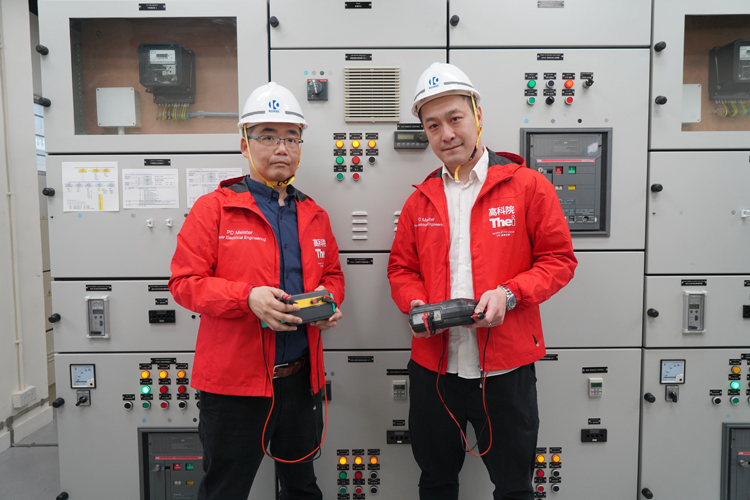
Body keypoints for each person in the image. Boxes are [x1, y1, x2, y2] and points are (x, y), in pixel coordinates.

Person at [387, 63, 577, 500]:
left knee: (514, 487)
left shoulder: (528, 186)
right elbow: (401, 269)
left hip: (506, 371)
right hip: (435, 370)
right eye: (433, 125)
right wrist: (416, 304)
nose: (446, 134)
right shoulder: (419, 200)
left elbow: (559, 260)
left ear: (477, 116)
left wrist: (509, 294)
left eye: (455, 118)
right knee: (436, 481)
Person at [169, 82, 345, 500]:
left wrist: (327, 301)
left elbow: (333, 274)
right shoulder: (214, 208)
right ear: (245, 145)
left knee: (302, 488)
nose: (281, 148)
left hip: (299, 383)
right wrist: (247, 298)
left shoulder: (314, 214)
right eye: (267, 136)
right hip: (234, 388)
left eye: (291, 137)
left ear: (300, 146)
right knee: (225, 490)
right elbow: (184, 283)